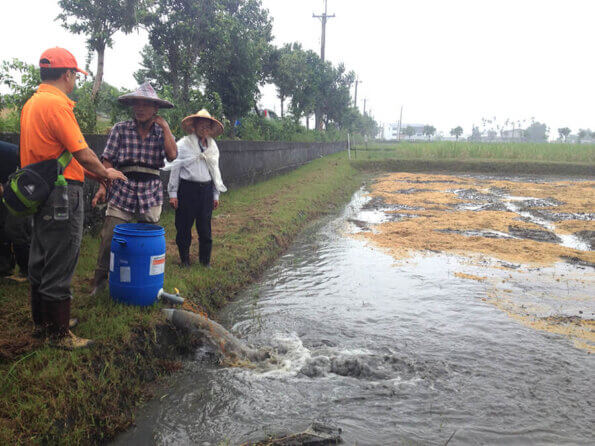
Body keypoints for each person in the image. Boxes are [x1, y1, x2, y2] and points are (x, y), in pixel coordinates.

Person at [20, 47, 127, 349]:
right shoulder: (57, 105)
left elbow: (61, 155)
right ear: (67, 75)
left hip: (40, 190)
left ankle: (45, 323)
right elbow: (82, 152)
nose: (74, 82)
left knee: (41, 253)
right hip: (61, 194)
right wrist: (108, 174)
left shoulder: (32, 103)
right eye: (74, 77)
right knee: (62, 256)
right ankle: (59, 335)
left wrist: (95, 175)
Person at [90, 82, 177, 294]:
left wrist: (165, 127)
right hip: (123, 188)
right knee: (110, 237)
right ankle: (99, 283)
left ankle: (144, 280)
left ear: (155, 109)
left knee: (146, 241)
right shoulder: (120, 129)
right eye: (136, 104)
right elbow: (107, 160)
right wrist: (104, 185)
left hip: (150, 190)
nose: (140, 108)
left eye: (146, 105)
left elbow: (172, 155)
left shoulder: (161, 132)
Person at [166, 109, 226, 267]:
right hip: (187, 190)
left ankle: (205, 262)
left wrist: (215, 195)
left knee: (205, 228)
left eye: (208, 126)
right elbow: (175, 168)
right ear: (194, 126)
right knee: (184, 227)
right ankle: (184, 260)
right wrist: (173, 193)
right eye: (201, 125)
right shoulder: (184, 144)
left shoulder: (212, 147)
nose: (204, 128)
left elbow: (215, 171)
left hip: (206, 191)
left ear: (211, 129)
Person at [0, 140, 30, 280]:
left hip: (22, 185)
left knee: (14, 227)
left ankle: (27, 270)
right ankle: (5, 267)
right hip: (8, 185)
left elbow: (29, 166)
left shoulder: (11, 152)